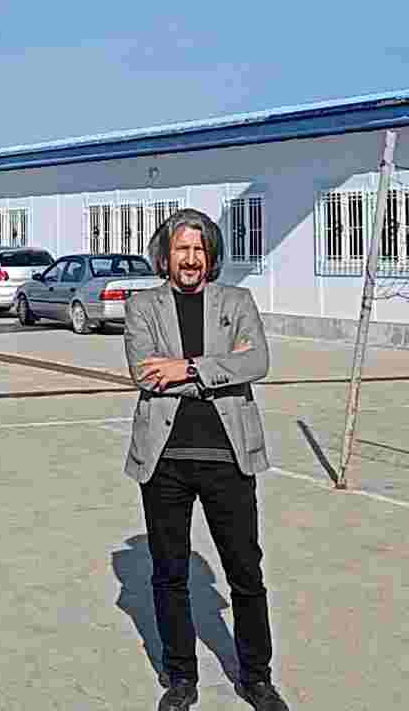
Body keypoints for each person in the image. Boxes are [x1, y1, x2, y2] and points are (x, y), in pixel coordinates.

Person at [123, 208, 289, 711]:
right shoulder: (143, 306)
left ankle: (257, 678)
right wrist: (220, 371)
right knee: (169, 573)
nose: (191, 258)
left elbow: (256, 361)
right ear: (165, 256)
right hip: (165, 460)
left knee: (245, 572)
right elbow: (146, 374)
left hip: (228, 458)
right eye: (182, 249)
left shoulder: (237, 302)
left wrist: (188, 368)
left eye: (199, 249)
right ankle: (180, 679)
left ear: (210, 255)